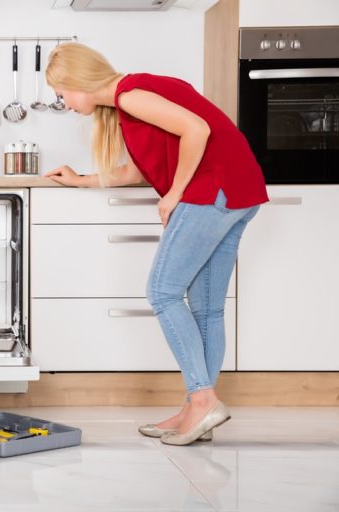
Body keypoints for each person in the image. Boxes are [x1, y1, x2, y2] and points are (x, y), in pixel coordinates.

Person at [44, 43, 268, 445]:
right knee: (207, 308)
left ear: (77, 81)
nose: (65, 104)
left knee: (162, 292)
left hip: (212, 190)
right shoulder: (127, 105)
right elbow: (135, 171)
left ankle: (203, 400)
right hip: (239, 190)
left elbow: (196, 130)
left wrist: (174, 193)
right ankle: (196, 411)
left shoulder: (130, 94)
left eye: (61, 94)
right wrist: (81, 180)